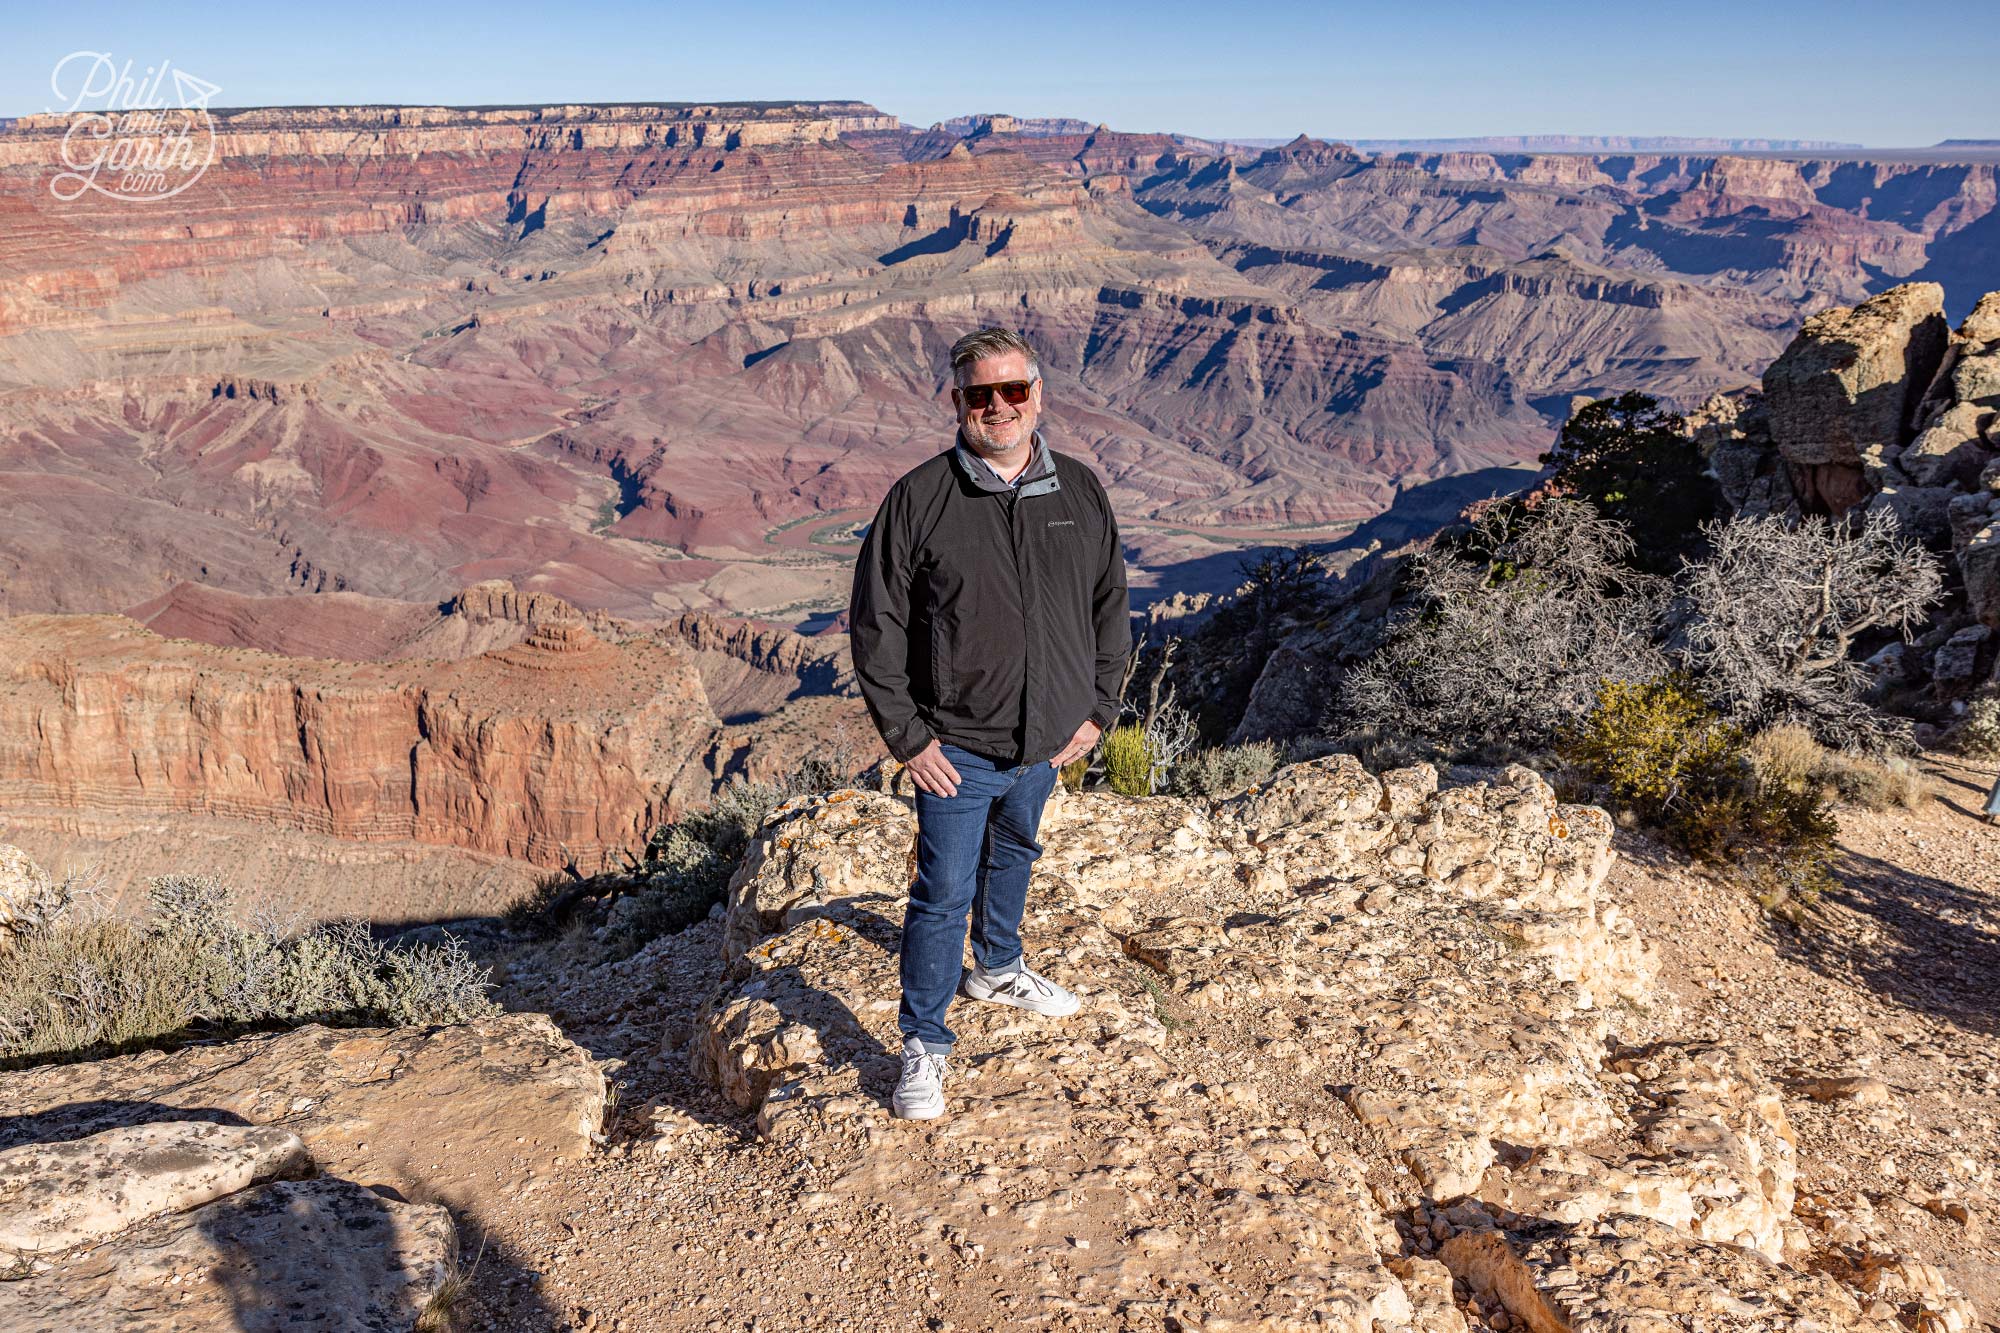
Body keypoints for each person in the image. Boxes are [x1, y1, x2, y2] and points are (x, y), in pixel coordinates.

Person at [848, 327, 1130, 1121]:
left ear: (1038, 395)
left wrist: (1098, 709)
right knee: (940, 895)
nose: (999, 407)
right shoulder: (920, 498)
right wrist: (909, 737)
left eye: (1013, 391)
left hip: (1046, 738)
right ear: (958, 403)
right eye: (981, 394)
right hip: (958, 746)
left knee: (1017, 852)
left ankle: (998, 967)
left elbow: (1110, 607)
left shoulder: (1078, 490)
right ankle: (923, 1047)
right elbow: (876, 626)